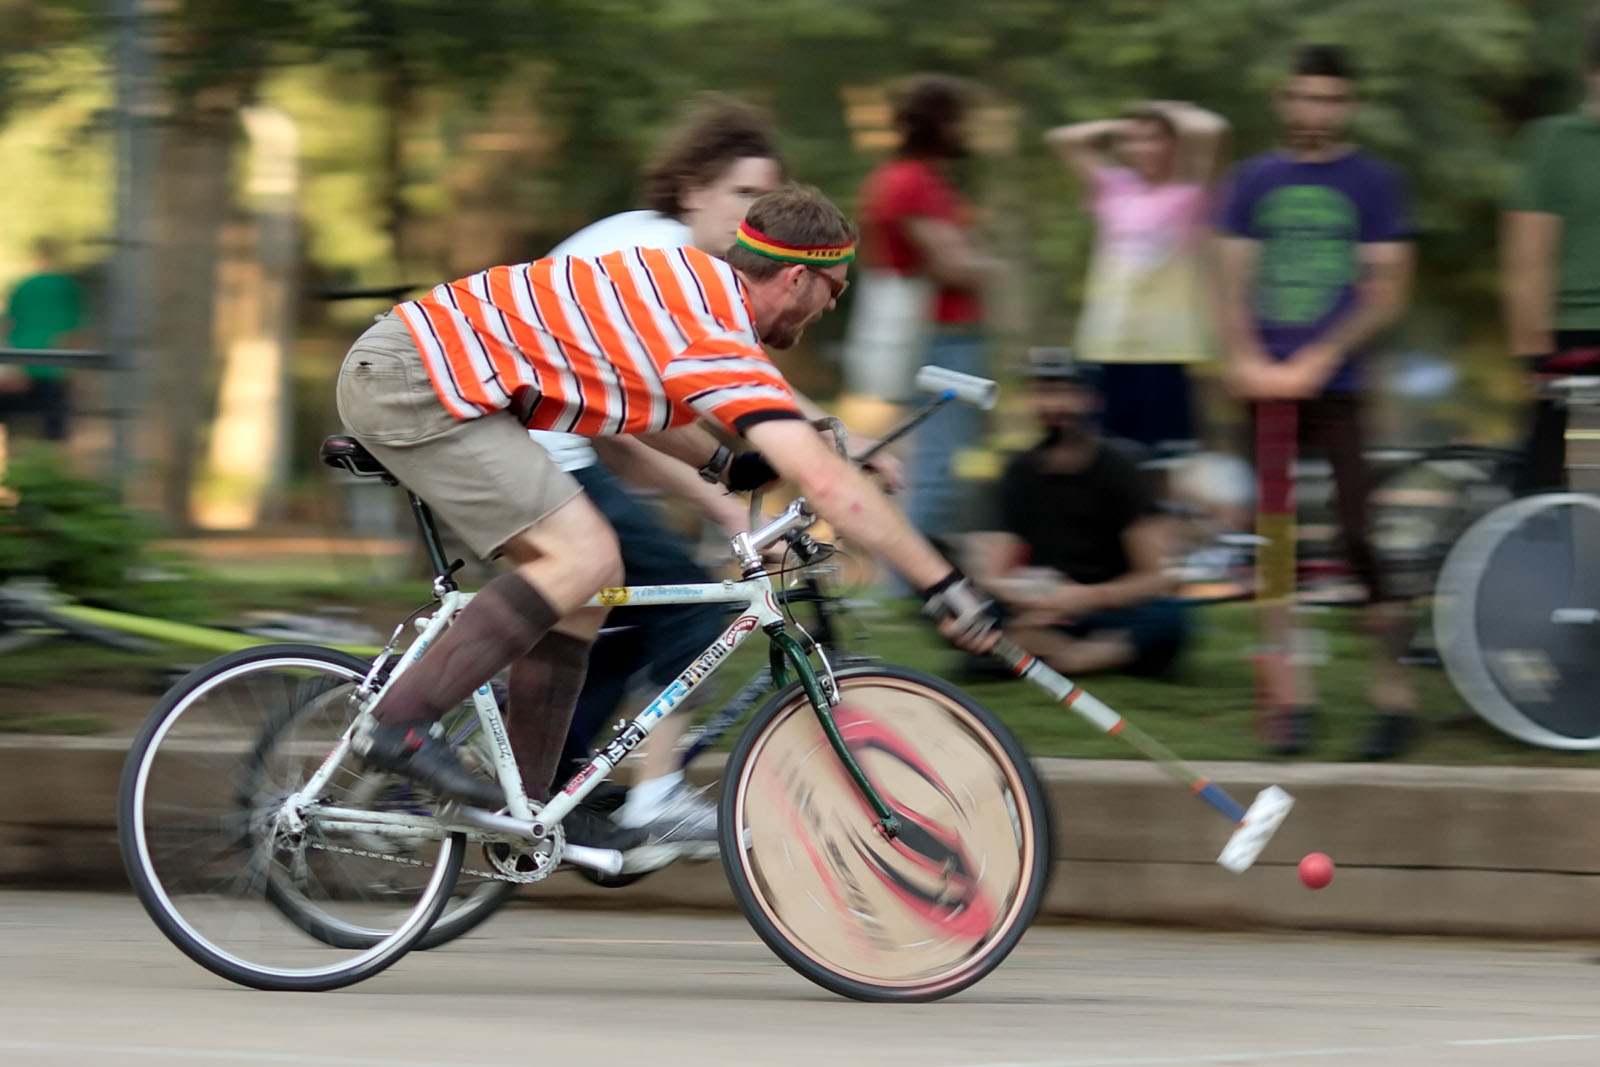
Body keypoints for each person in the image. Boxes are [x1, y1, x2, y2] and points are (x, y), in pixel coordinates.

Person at [334, 185, 999, 854]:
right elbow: (827, 481)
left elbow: (637, 401)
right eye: (835, 290)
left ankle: (529, 809)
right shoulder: (714, 328)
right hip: (417, 381)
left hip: (442, 381)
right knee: (583, 555)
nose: (831, 307)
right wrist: (941, 583)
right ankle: (397, 725)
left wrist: (723, 464)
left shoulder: (691, 289)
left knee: (588, 591)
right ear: (798, 278)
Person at [531, 95, 787, 849]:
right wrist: (742, 501)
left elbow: (630, 424)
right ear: (693, 191)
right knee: (691, 611)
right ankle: (655, 796)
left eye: (766, 201)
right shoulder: (666, 256)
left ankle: (555, 783)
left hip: (551, 446)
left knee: (634, 611)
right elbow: (650, 423)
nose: (754, 215)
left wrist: (729, 502)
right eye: (742, 193)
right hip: (532, 455)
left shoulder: (649, 243)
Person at [1214, 44, 1417, 760]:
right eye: (1304, 96)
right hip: (1267, 388)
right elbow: (1230, 281)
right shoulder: (1252, 179)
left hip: (1340, 387)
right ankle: (1290, 700)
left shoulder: (1374, 182)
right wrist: (1244, 355)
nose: (1316, 111)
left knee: (1360, 534)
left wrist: (1320, 357)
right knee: (1275, 544)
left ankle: (1395, 697)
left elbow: (1386, 290)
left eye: (1329, 99)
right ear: (1284, 99)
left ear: (1348, 105)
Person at [850, 74, 1005, 541]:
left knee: (929, 464)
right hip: (941, 339)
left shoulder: (911, 179)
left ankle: (914, 568)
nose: (966, 130)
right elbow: (953, 265)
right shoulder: (911, 181)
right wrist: (996, 266)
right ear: (940, 122)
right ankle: (910, 575)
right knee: (939, 468)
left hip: (936, 338)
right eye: (960, 120)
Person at [970, 354, 1187, 678]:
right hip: (1040, 607)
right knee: (960, 606)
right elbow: (992, 573)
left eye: (1064, 392)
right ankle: (1094, 655)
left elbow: (1156, 577)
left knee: (1168, 618)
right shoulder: (1019, 471)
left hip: (1105, 608)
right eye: (1044, 392)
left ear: (1091, 399)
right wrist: (1025, 595)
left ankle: (1052, 658)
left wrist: (1086, 598)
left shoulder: (1121, 467)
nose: (1053, 405)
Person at [1046, 101, 1229, 451]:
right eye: (1135, 140)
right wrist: (1121, 127)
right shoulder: (1113, 188)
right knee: (1104, 454)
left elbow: (1212, 128)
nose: (1145, 148)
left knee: (1168, 457)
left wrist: (1163, 110)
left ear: (1175, 144)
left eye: (1156, 139)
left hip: (1167, 351)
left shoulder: (1191, 195)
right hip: (1105, 344)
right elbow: (1063, 139)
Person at [1502, 20, 1600, 494]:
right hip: (1571, 336)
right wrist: (1534, 355)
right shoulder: (1554, 141)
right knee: (1545, 480)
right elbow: (1527, 254)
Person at [0, 237, 85, 442]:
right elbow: (77, 328)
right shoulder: (67, 287)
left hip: (21, 362)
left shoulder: (21, 287)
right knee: (54, 428)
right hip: (55, 363)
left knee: (13, 423)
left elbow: (8, 323)